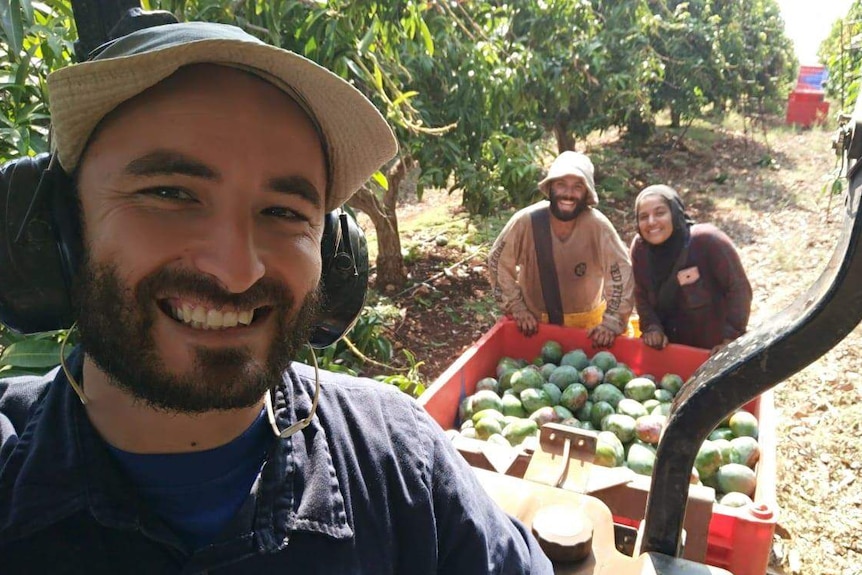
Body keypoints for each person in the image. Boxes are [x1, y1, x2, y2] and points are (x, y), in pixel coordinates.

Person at [0, 21, 553, 573]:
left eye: (284, 213)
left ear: (334, 257)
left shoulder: (402, 464)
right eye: (170, 193)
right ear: (58, 233)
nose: (237, 270)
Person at [488, 151, 634, 347]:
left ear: (587, 193)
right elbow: (498, 261)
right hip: (533, 327)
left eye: (577, 187)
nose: (568, 193)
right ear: (550, 188)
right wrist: (517, 308)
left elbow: (621, 272)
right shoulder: (527, 222)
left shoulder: (597, 226)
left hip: (586, 329)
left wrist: (611, 322)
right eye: (561, 185)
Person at [630, 184, 752, 354]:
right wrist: (652, 327)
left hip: (714, 349)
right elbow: (641, 293)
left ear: (675, 213)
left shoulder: (706, 240)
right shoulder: (641, 248)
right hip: (672, 350)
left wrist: (730, 339)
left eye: (660, 213)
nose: (651, 222)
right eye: (643, 216)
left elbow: (739, 288)